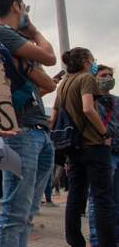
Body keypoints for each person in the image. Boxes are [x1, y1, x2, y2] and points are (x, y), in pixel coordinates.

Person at [0, 0, 56, 247]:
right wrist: (34, 30)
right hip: (21, 133)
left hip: (35, 130)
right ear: (16, 6)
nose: (25, 12)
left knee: (24, 213)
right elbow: (49, 57)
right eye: (24, 7)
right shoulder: (1, 33)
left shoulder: (9, 40)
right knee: (15, 213)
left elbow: (48, 83)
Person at [51, 49, 115, 246]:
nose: (94, 62)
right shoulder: (86, 79)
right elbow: (88, 108)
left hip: (73, 146)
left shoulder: (63, 84)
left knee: (75, 198)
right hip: (93, 145)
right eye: (92, 59)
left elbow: (54, 116)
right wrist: (104, 133)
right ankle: (107, 242)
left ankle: (75, 240)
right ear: (85, 61)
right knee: (102, 198)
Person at [87, 64, 119, 247]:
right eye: (103, 74)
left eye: (110, 75)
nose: (107, 77)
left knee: (116, 201)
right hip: (102, 154)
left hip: (117, 152)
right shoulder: (90, 101)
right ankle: (97, 239)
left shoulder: (117, 101)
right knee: (99, 200)